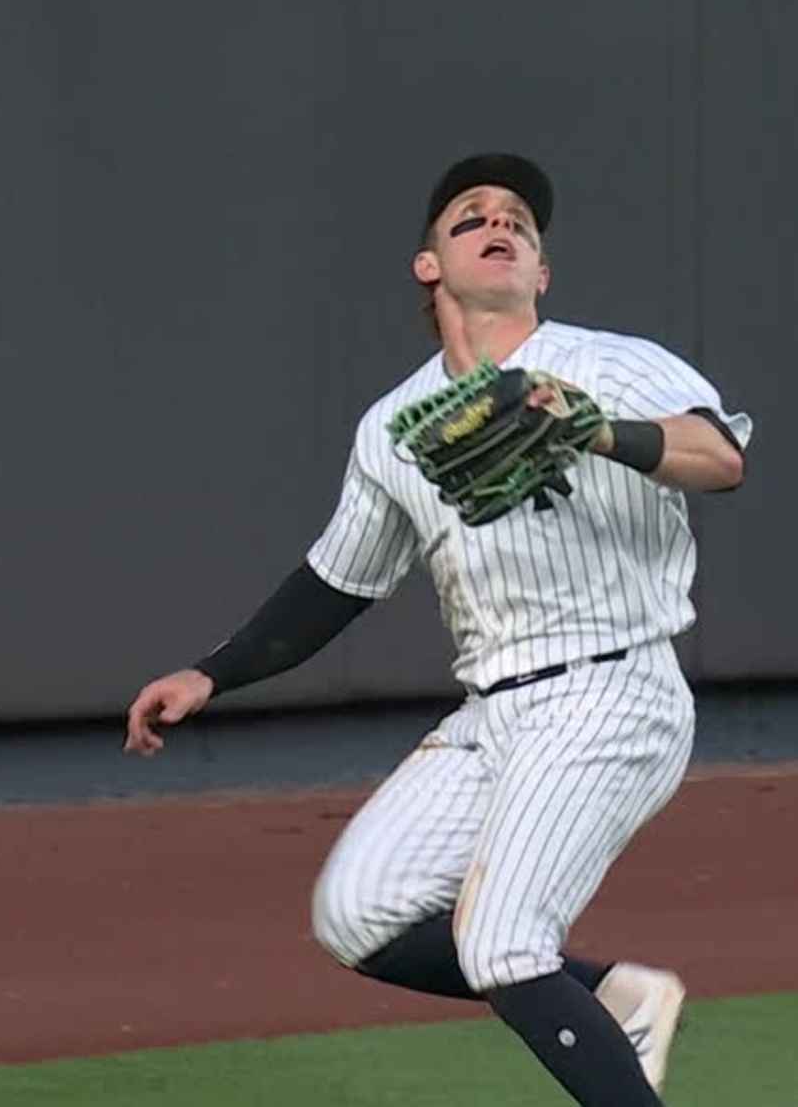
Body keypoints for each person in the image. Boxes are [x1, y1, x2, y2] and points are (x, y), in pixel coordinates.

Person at [126, 152, 752, 1105]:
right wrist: (213, 674)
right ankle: (613, 998)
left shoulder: (609, 364)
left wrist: (595, 430)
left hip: (612, 690)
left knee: (502, 942)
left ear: (540, 272)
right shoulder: (391, 426)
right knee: (359, 914)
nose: (499, 222)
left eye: (519, 223)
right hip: (492, 712)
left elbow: (721, 456)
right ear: (429, 264)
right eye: (471, 216)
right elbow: (338, 580)